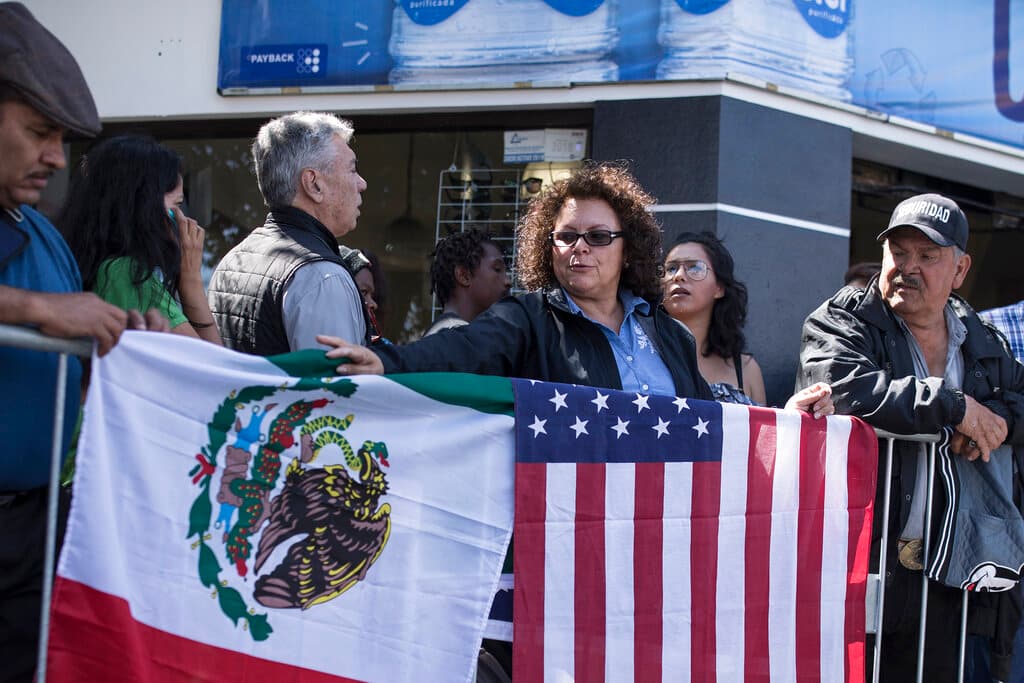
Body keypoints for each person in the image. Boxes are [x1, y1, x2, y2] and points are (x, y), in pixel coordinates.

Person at [321, 161, 832, 416]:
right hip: (569, 543)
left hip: (660, 530)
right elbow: (461, 349)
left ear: (627, 250)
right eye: (565, 236)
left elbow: (708, 422)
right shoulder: (525, 318)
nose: (579, 248)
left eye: (598, 236)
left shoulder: (668, 334)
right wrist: (389, 363)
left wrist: (782, 423)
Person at [797, 193, 1024, 681]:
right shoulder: (845, 319)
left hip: (956, 568)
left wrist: (995, 421)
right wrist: (955, 407)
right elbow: (847, 388)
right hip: (861, 560)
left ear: (960, 269)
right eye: (898, 252)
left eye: (928, 256)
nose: (908, 267)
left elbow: (1020, 400)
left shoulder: (985, 339)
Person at [0, 4, 164, 680]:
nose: (56, 158)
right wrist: (35, 307)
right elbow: (49, 314)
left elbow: (77, 375)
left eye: (62, 138)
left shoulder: (40, 234)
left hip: (34, 531)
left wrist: (129, 354)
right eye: (40, 131)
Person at [208, 111, 371, 355]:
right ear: (313, 184)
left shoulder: (232, 261)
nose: (362, 183)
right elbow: (334, 389)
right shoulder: (322, 278)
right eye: (352, 170)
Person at [58, 135, 222, 344]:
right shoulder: (127, 275)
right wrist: (191, 280)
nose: (186, 222)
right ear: (144, 209)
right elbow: (211, 364)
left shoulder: (101, 266)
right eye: (177, 207)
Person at [661, 231, 766, 405]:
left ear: (719, 287)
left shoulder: (746, 369)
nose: (678, 275)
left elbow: (764, 432)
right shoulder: (640, 356)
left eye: (694, 267)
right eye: (671, 268)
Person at [424, 228, 510, 336]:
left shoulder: (441, 335)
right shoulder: (455, 338)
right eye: (497, 269)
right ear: (463, 276)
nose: (508, 281)